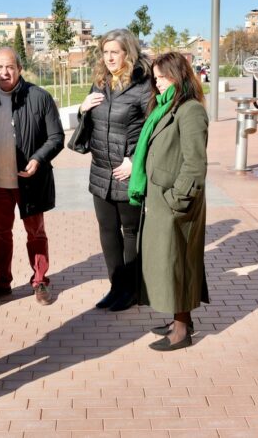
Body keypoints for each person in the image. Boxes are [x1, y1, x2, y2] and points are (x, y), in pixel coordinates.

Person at [128, 51, 210, 351]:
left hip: (176, 204)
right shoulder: (165, 107)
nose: (157, 83)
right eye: (155, 77)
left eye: (162, 77)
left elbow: (195, 163)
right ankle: (179, 318)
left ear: (178, 76)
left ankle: (182, 330)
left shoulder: (190, 111)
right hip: (162, 201)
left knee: (179, 264)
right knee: (169, 264)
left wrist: (177, 200)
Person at [0, 47, 64, 306]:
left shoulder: (39, 97)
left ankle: (40, 281)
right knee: (0, 234)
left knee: (35, 234)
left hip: (30, 182)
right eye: (0, 67)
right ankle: (2, 283)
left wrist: (37, 158)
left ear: (20, 69)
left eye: (10, 67)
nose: (4, 72)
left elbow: (56, 137)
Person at [72, 28, 152, 312]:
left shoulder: (143, 86)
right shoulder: (100, 83)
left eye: (114, 52)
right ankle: (116, 287)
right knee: (108, 230)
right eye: (105, 53)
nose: (108, 58)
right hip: (101, 170)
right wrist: (82, 110)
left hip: (126, 171)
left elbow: (151, 130)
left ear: (127, 53)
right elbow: (90, 123)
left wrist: (134, 160)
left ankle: (131, 290)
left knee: (130, 231)